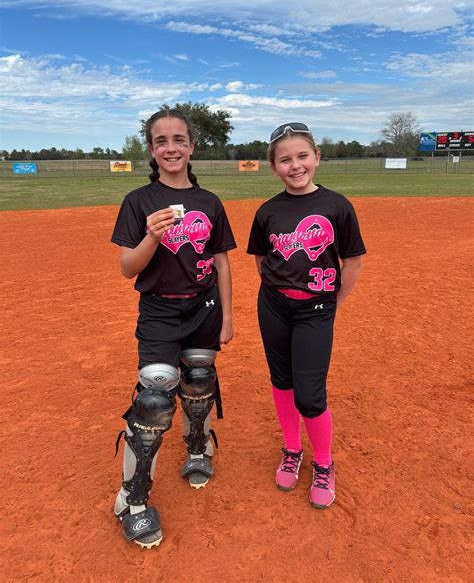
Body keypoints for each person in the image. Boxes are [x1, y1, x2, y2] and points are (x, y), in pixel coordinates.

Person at [111, 108, 236, 548]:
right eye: (161, 141)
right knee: (154, 399)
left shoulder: (210, 202)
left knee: (200, 380)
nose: (171, 148)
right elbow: (128, 268)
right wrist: (153, 235)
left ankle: (198, 448)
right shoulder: (138, 201)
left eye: (179, 139)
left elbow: (221, 262)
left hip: (204, 308)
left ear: (191, 146)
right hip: (160, 312)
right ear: (151, 149)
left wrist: (228, 316)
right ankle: (131, 500)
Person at [247, 122, 366, 509]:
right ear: (274, 167)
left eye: (302, 156)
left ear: (316, 157)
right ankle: (292, 450)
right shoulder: (268, 211)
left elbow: (353, 261)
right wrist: (277, 290)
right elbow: (262, 259)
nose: (295, 165)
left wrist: (334, 304)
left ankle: (324, 464)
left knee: (311, 395)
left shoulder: (337, 206)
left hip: (317, 308)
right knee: (281, 381)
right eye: (285, 160)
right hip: (274, 306)